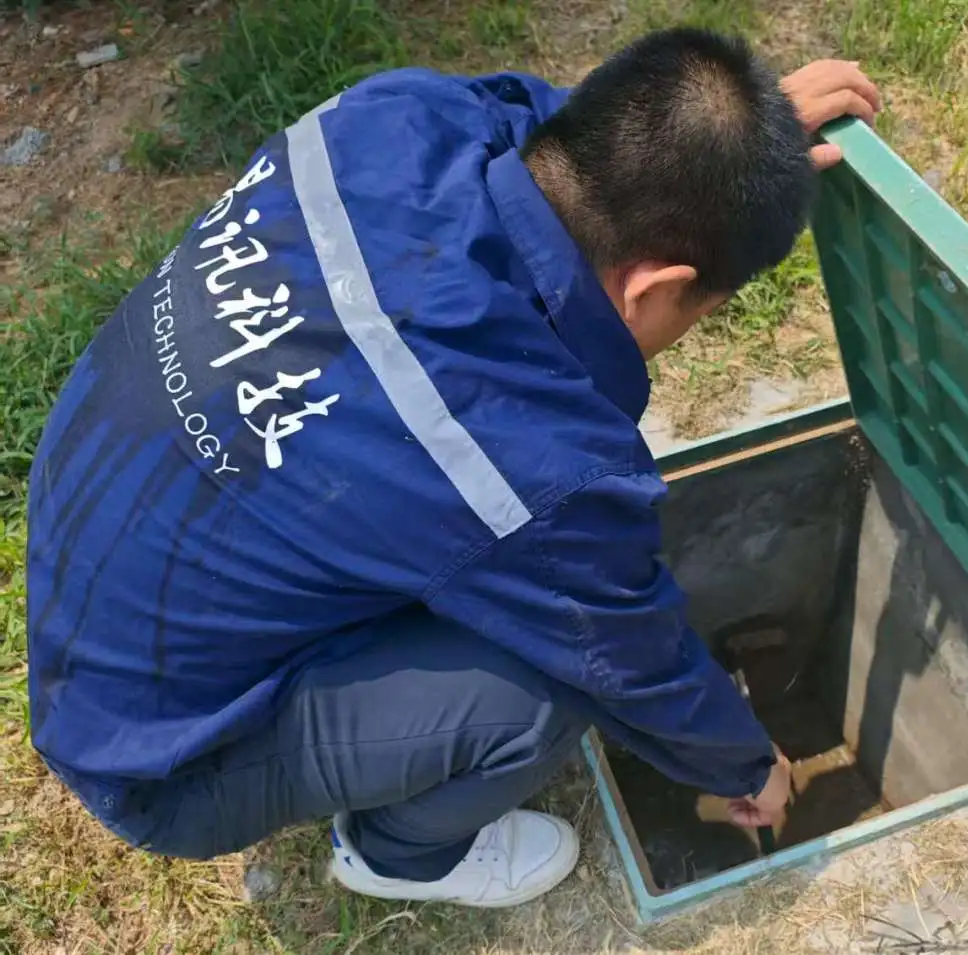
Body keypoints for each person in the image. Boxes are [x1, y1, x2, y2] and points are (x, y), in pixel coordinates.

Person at [26, 29, 880, 908]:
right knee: (546, 695)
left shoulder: (399, 112)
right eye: (704, 306)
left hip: (94, 547)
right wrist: (745, 763)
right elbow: (626, 655)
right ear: (654, 287)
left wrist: (734, 149)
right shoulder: (518, 450)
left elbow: (573, 133)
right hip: (157, 754)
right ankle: (397, 855)